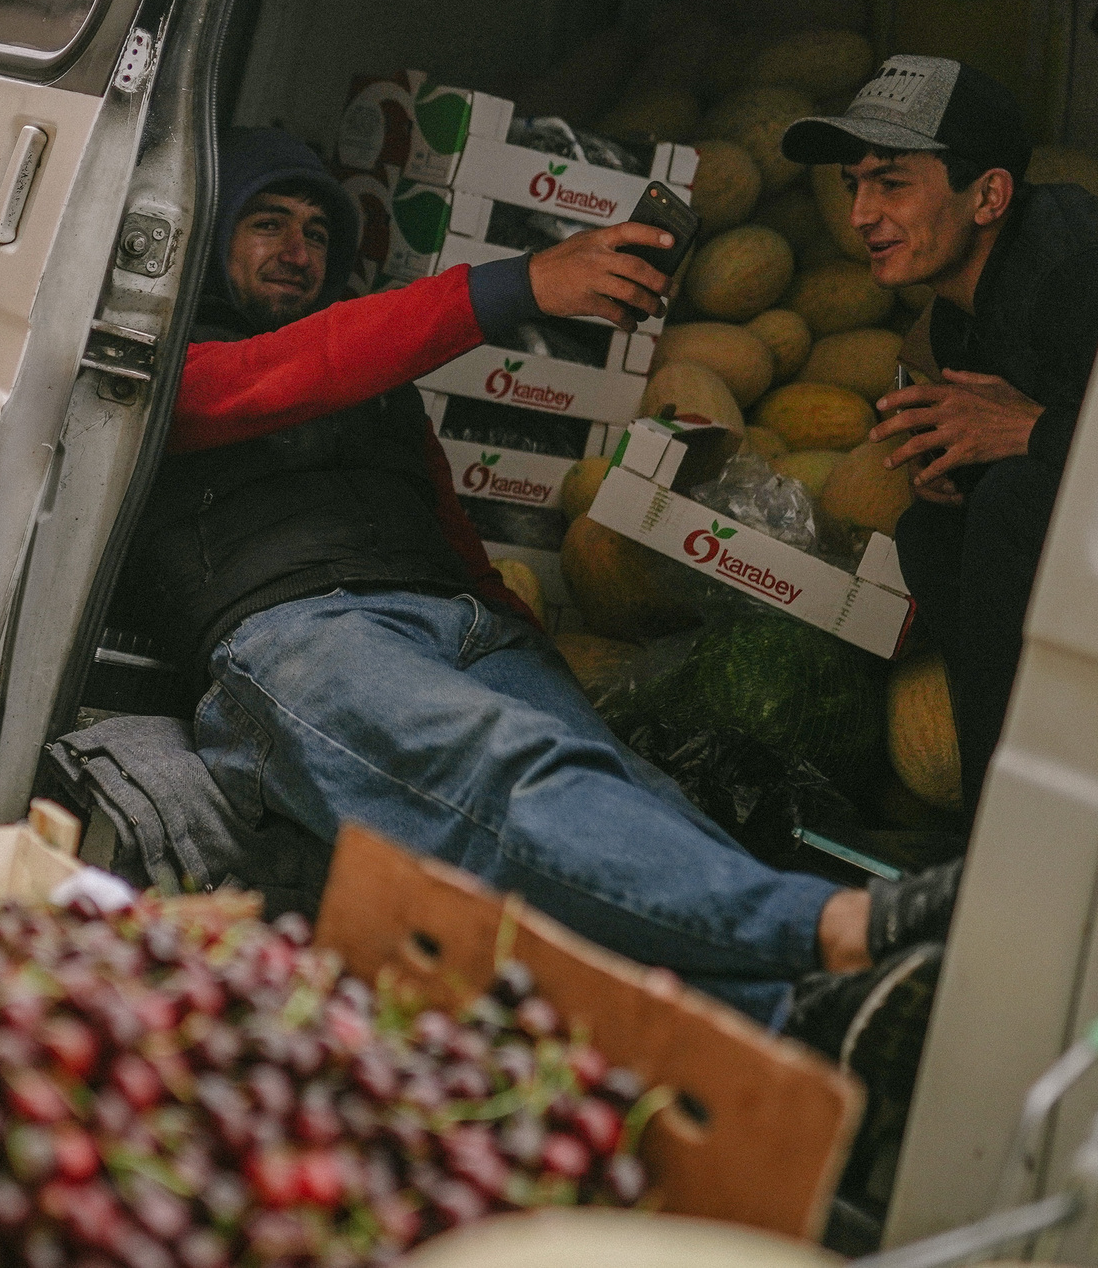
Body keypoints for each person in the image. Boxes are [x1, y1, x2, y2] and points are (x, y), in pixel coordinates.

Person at [113, 126, 958, 1092]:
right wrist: (514, 287)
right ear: (208, 238)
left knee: (632, 801)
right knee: (503, 775)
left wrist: (510, 628)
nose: (298, 249)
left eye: (316, 232)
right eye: (269, 224)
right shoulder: (166, 357)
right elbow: (273, 376)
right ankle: (831, 929)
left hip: (460, 624)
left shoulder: (368, 381)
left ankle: (792, 1031)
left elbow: (445, 518)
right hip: (300, 630)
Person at [782, 56, 1098, 814]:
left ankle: (1007, 827)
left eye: (893, 183)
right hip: (1096, 567)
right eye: (854, 186)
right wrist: (953, 462)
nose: (860, 216)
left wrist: (1036, 433)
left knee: (1013, 501)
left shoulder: (1082, 277)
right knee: (933, 534)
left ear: (989, 195)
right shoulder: (954, 314)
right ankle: (999, 809)